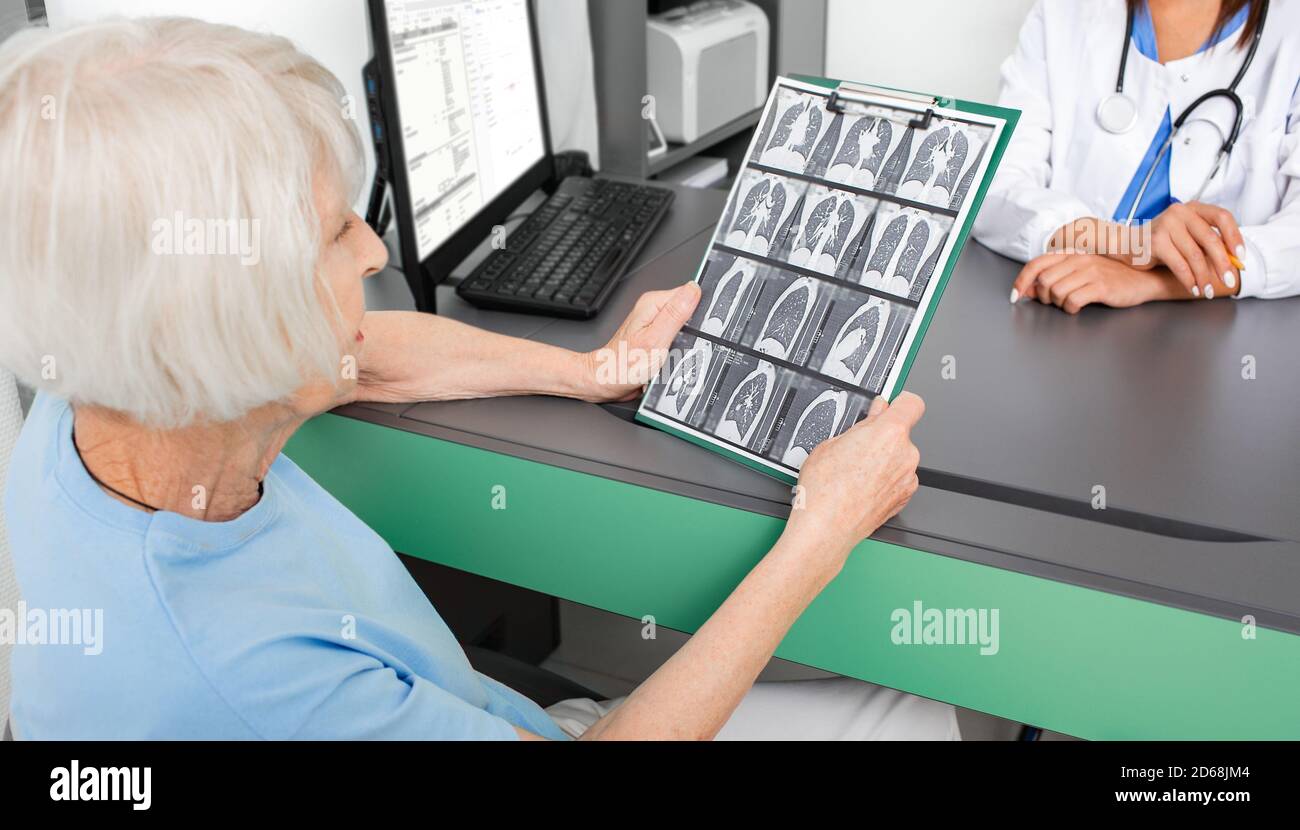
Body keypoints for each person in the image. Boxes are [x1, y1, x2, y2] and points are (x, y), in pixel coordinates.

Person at [0, 18, 955, 740]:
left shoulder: (98, 384)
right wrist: (820, 535)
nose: (374, 245)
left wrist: (594, 370)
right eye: (340, 233)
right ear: (232, 323)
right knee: (909, 708)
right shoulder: (250, 682)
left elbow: (356, 352)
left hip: (471, 705)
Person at [975, 0, 1300, 313]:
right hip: (1070, 316)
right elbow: (993, 183)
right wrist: (1128, 243)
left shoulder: (1289, 28)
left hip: (1226, 339)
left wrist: (1154, 282)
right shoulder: (1064, 11)